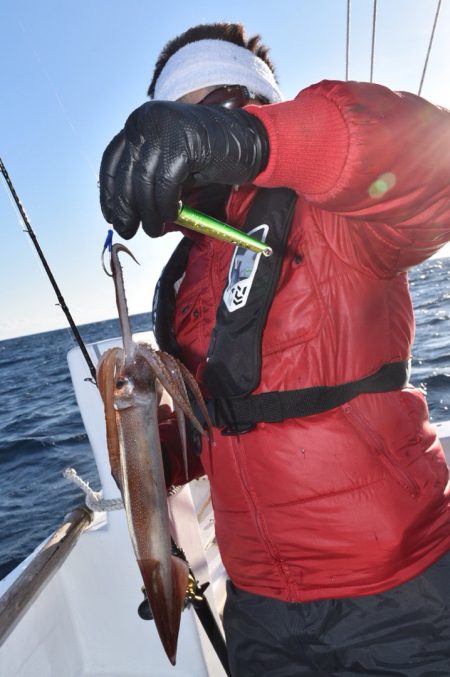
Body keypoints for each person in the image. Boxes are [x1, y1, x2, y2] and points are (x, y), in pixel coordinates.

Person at [99, 22, 450, 676]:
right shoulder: (180, 279)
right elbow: (216, 430)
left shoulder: (342, 209)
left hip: (394, 586)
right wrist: (144, 439)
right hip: (259, 608)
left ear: (254, 112)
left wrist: (265, 144)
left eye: (212, 118)